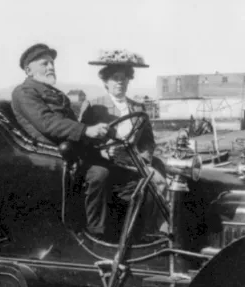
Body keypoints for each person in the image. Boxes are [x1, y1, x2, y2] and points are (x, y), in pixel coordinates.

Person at [11, 43, 117, 241]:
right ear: (29, 70)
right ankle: (96, 234)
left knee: (118, 170)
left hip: (68, 152)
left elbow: (68, 124)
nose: (51, 67)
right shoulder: (24, 92)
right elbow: (48, 124)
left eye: (52, 63)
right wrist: (86, 130)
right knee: (99, 174)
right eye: (44, 64)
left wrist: (97, 142)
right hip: (48, 157)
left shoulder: (54, 93)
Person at [80, 50, 168, 234]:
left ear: (129, 81)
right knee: (152, 182)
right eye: (114, 78)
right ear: (105, 81)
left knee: (159, 182)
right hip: (105, 162)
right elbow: (82, 140)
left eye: (123, 78)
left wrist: (143, 158)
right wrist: (102, 152)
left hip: (133, 162)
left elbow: (148, 141)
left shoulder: (138, 107)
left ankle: (155, 230)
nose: (119, 82)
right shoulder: (95, 106)